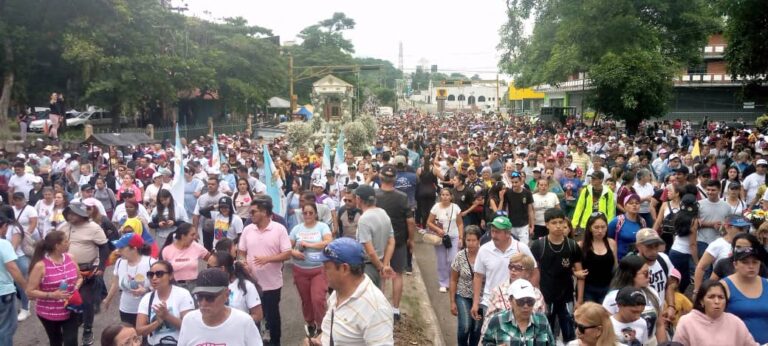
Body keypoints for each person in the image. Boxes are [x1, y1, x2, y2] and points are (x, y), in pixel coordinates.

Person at [305, 237, 394, 346]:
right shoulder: (339, 291)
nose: (322, 271)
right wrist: (320, 340)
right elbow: (332, 329)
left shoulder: (376, 309)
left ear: (344, 269)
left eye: (327, 267)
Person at [237, 196, 291, 346]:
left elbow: (287, 253)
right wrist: (242, 263)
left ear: (265, 212)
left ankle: (275, 342)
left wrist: (268, 259)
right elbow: (241, 252)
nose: (250, 214)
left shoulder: (279, 229)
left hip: (272, 283)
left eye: (253, 211)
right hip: (250, 282)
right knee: (253, 315)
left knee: (272, 316)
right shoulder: (248, 229)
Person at [530, 208, 584, 343]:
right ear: (547, 224)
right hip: (545, 296)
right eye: (554, 223)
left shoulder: (572, 245)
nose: (558, 226)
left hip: (566, 296)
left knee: (569, 334)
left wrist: (579, 301)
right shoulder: (538, 245)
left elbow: (581, 274)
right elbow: (532, 273)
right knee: (545, 335)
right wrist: (535, 296)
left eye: (561, 222)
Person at [59, 203, 109, 345]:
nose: (70, 216)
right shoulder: (64, 226)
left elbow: (104, 247)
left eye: (73, 213)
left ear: (82, 215)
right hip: (66, 271)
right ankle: (72, 324)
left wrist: (101, 267)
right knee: (68, 299)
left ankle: (87, 330)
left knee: (87, 301)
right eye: (68, 213)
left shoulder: (93, 228)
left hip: (88, 271)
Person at [471, 216, 538, 322]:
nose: (493, 235)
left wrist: (529, 292)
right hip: (490, 302)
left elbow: (534, 271)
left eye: (497, 232)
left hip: (517, 302)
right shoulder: (484, 249)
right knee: (490, 335)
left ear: (507, 233)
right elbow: (478, 276)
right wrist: (475, 303)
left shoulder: (521, 248)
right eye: (492, 231)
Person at [177, 268, 263, 346]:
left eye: (210, 298)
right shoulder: (189, 320)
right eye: (199, 297)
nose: (203, 303)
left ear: (226, 294)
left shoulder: (244, 322)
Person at [26, 230, 83, 346]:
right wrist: (52, 295)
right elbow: (30, 291)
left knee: (71, 341)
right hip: (49, 313)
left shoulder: (71, 258)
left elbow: (80, 277)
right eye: (66, 241)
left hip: (70, 308)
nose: (69, 243)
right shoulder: (40, 266)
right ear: (57, 246)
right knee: (56, 342)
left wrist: (75, 288)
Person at [376, 164, 416, 318]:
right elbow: (410, 221)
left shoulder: (374, 196)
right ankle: (395, 309)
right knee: (397, 274)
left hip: (379, 241)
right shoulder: (402, 197)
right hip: (398, 240)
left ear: (381, 177)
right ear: (395, 178)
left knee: (381, 273)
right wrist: (411, 239)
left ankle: (378, 307)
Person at [602, 255, 667, 344]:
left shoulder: (652, 293)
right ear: (631, 274)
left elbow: (659, 325)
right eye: (645, 273)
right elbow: (606, 328)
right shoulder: (612, 298)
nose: (650, 276)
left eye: (649, 272)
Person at [289, 203, 332, 336]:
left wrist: (308, 244)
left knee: (318, 299)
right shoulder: (296, 229)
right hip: (300, 270)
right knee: (306, 301)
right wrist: (293, 252)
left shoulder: (322, 227)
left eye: (310, 213)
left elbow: (328, 242)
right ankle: (310, 323)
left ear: (316, 214)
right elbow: (286, 247)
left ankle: (321, 327)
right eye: (305, 213)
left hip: (318, 269)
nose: (307, 215)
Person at [672, 280, 757, 346]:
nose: (717, 301)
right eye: (711, 297)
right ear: (701, 301)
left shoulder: (735, 322)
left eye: (721, 297)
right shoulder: (687, 322)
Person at [481, 252, 545, 336]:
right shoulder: (498, 291)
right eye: (511, 267)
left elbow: (541, 323)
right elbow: (488, 321)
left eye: (518, 268)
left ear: (528, 273)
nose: (513, 270)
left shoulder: (536, 294)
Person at [136, 260, 195, 346]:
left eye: (159, 274)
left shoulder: (183, 294)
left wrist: (167, 316)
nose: (154, 278)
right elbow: (139, 331)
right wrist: (157, 322)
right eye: (151, 274)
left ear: (170, 275)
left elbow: (189, 327)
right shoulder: (147, 298)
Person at [482, 279, 555, 345]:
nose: (526, 306)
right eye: (521, 301)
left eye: (530, 301)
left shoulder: (542, 320)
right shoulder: (497, 320)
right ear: (510, 301)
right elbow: (486, 342)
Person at [102, 232, 155, 326]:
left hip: (147, 309)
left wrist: (146, 290)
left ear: (134, 249)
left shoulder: (151, 263)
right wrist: (107, 300)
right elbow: (115, 284)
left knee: (144, 337)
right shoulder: (119, 262)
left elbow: (162, 286)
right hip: (125, 309)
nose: (118, 251)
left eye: (121, 248)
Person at [721, 243, 768, 344]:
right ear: (735, 264)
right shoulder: (724, 286)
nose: (751, 266)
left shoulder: (767, 283)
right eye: (745, 262)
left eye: (755, 262)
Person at [692, 214, 750, 294]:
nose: (744, 231)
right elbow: (701, 267)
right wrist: (697, 291)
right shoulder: (717, 244)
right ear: (727, 227)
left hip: (745, 288)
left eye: (745, 228)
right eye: (740, 228)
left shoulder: (750, 243)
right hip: (723, 291)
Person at [353, 184, 395, 287]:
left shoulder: (364, 219)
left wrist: (381, 268)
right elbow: (391, 242)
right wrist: (384, 265)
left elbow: (370, 252)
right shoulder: (383, 212)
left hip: (368, 266)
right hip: (381, 262)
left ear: (358, 199)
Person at [449, 226, 483, 346]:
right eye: (468, 240)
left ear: (479, 241)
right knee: (465, 326)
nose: (471, 243)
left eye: (474, 240)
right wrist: (452, 302)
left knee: (476, 329)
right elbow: (453, 279)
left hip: (481, 298)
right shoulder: (459, 256)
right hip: (463, 294)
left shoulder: (485, 255)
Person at [427, 187, 464, 292]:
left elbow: (460, 223)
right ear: (440, 196)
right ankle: (443, 282)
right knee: (441, 260)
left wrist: (461, 237)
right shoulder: (436, 207)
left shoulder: (456, 207)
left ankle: (452, 280)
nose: (445, 197)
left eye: (447, 195)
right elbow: (429, 222)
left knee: (452, 259)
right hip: (440, 237)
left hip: (454, 236)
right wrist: (438, 230)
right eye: (443, 195)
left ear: (451, 196)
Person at [209, 252, 263, 323]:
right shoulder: (208, 285)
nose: (207, 270)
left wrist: (236, 324)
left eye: (209, 267)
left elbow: (258, 315)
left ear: (222, 268)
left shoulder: (246, 286)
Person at [0, 217, 28, 345]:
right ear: (4, 226)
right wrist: (25, 287)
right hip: (3, 292)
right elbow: (13, 268)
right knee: (7, 327)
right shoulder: (4, 244)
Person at [579, 212, 617, 303]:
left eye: (603, 227)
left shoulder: (612, 243)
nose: (600, 231)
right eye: (596, 227)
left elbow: (615, 267)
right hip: (588, 289)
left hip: (608, 287)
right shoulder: (581, 245)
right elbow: (575, 269)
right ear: (590, 228)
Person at [160, 222, 210, 292]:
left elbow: (212, 260)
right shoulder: (167, 250)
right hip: (175, 287)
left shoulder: (197, 247)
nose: (194, 237)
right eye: (192, 235)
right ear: (183, 236)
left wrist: (207, 275)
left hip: (193, 286)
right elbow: (162, 271)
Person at [572, 170, 616, 237]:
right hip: (586, 222)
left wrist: (609, 225)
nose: (592, 180)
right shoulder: (586, 190)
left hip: (601, 223)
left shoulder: (608, 192)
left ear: (601, 180)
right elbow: (579, 207)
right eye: (592, 178)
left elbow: (611, 210)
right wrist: (574, 224)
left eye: (594, 178)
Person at [499, 171, 535, 245]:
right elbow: (503, 209)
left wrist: (532, 225)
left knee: (524, 247)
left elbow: (530, 210)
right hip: (511, 225)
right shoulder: (508, 193)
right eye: (512, 182)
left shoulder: (527, 193)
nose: (514, 184)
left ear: (521, 182)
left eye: (516, 182)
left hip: (524, 225)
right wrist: (501, 200)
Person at [192, 177, 226, 251]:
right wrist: (195, 231)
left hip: (221, 228)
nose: (210, 186)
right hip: (205, 228)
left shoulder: (224, 198)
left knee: (219, 249)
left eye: (213, 184)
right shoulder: (201, 198)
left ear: (218, 185)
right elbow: (196, 215)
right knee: (207, 249)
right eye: (209, 184)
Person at [608, 194, 647, 259]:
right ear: (625, 206)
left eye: (637, 203)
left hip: (637, 260)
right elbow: (608, 239)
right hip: (620, 260)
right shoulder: (617, 221)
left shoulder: (642, 221)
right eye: (631, 203)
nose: (634, 205)